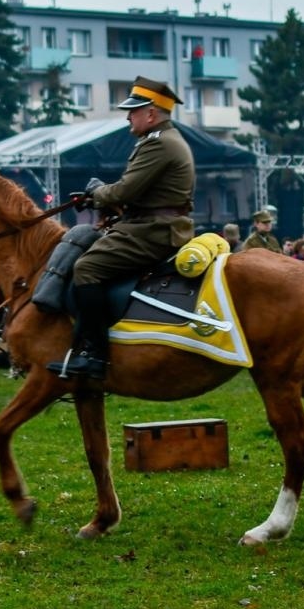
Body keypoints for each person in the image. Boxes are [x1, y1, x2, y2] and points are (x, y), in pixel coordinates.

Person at [48, 75, 195, 381]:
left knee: (87, 268)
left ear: (151, 113)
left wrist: (94, 196)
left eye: (134, 110)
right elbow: (137, 192)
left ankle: (94, 353)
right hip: (152, 223)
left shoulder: (159, 143)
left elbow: (126, 191)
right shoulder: (161, 140)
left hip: (154, 230)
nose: (128, 116)